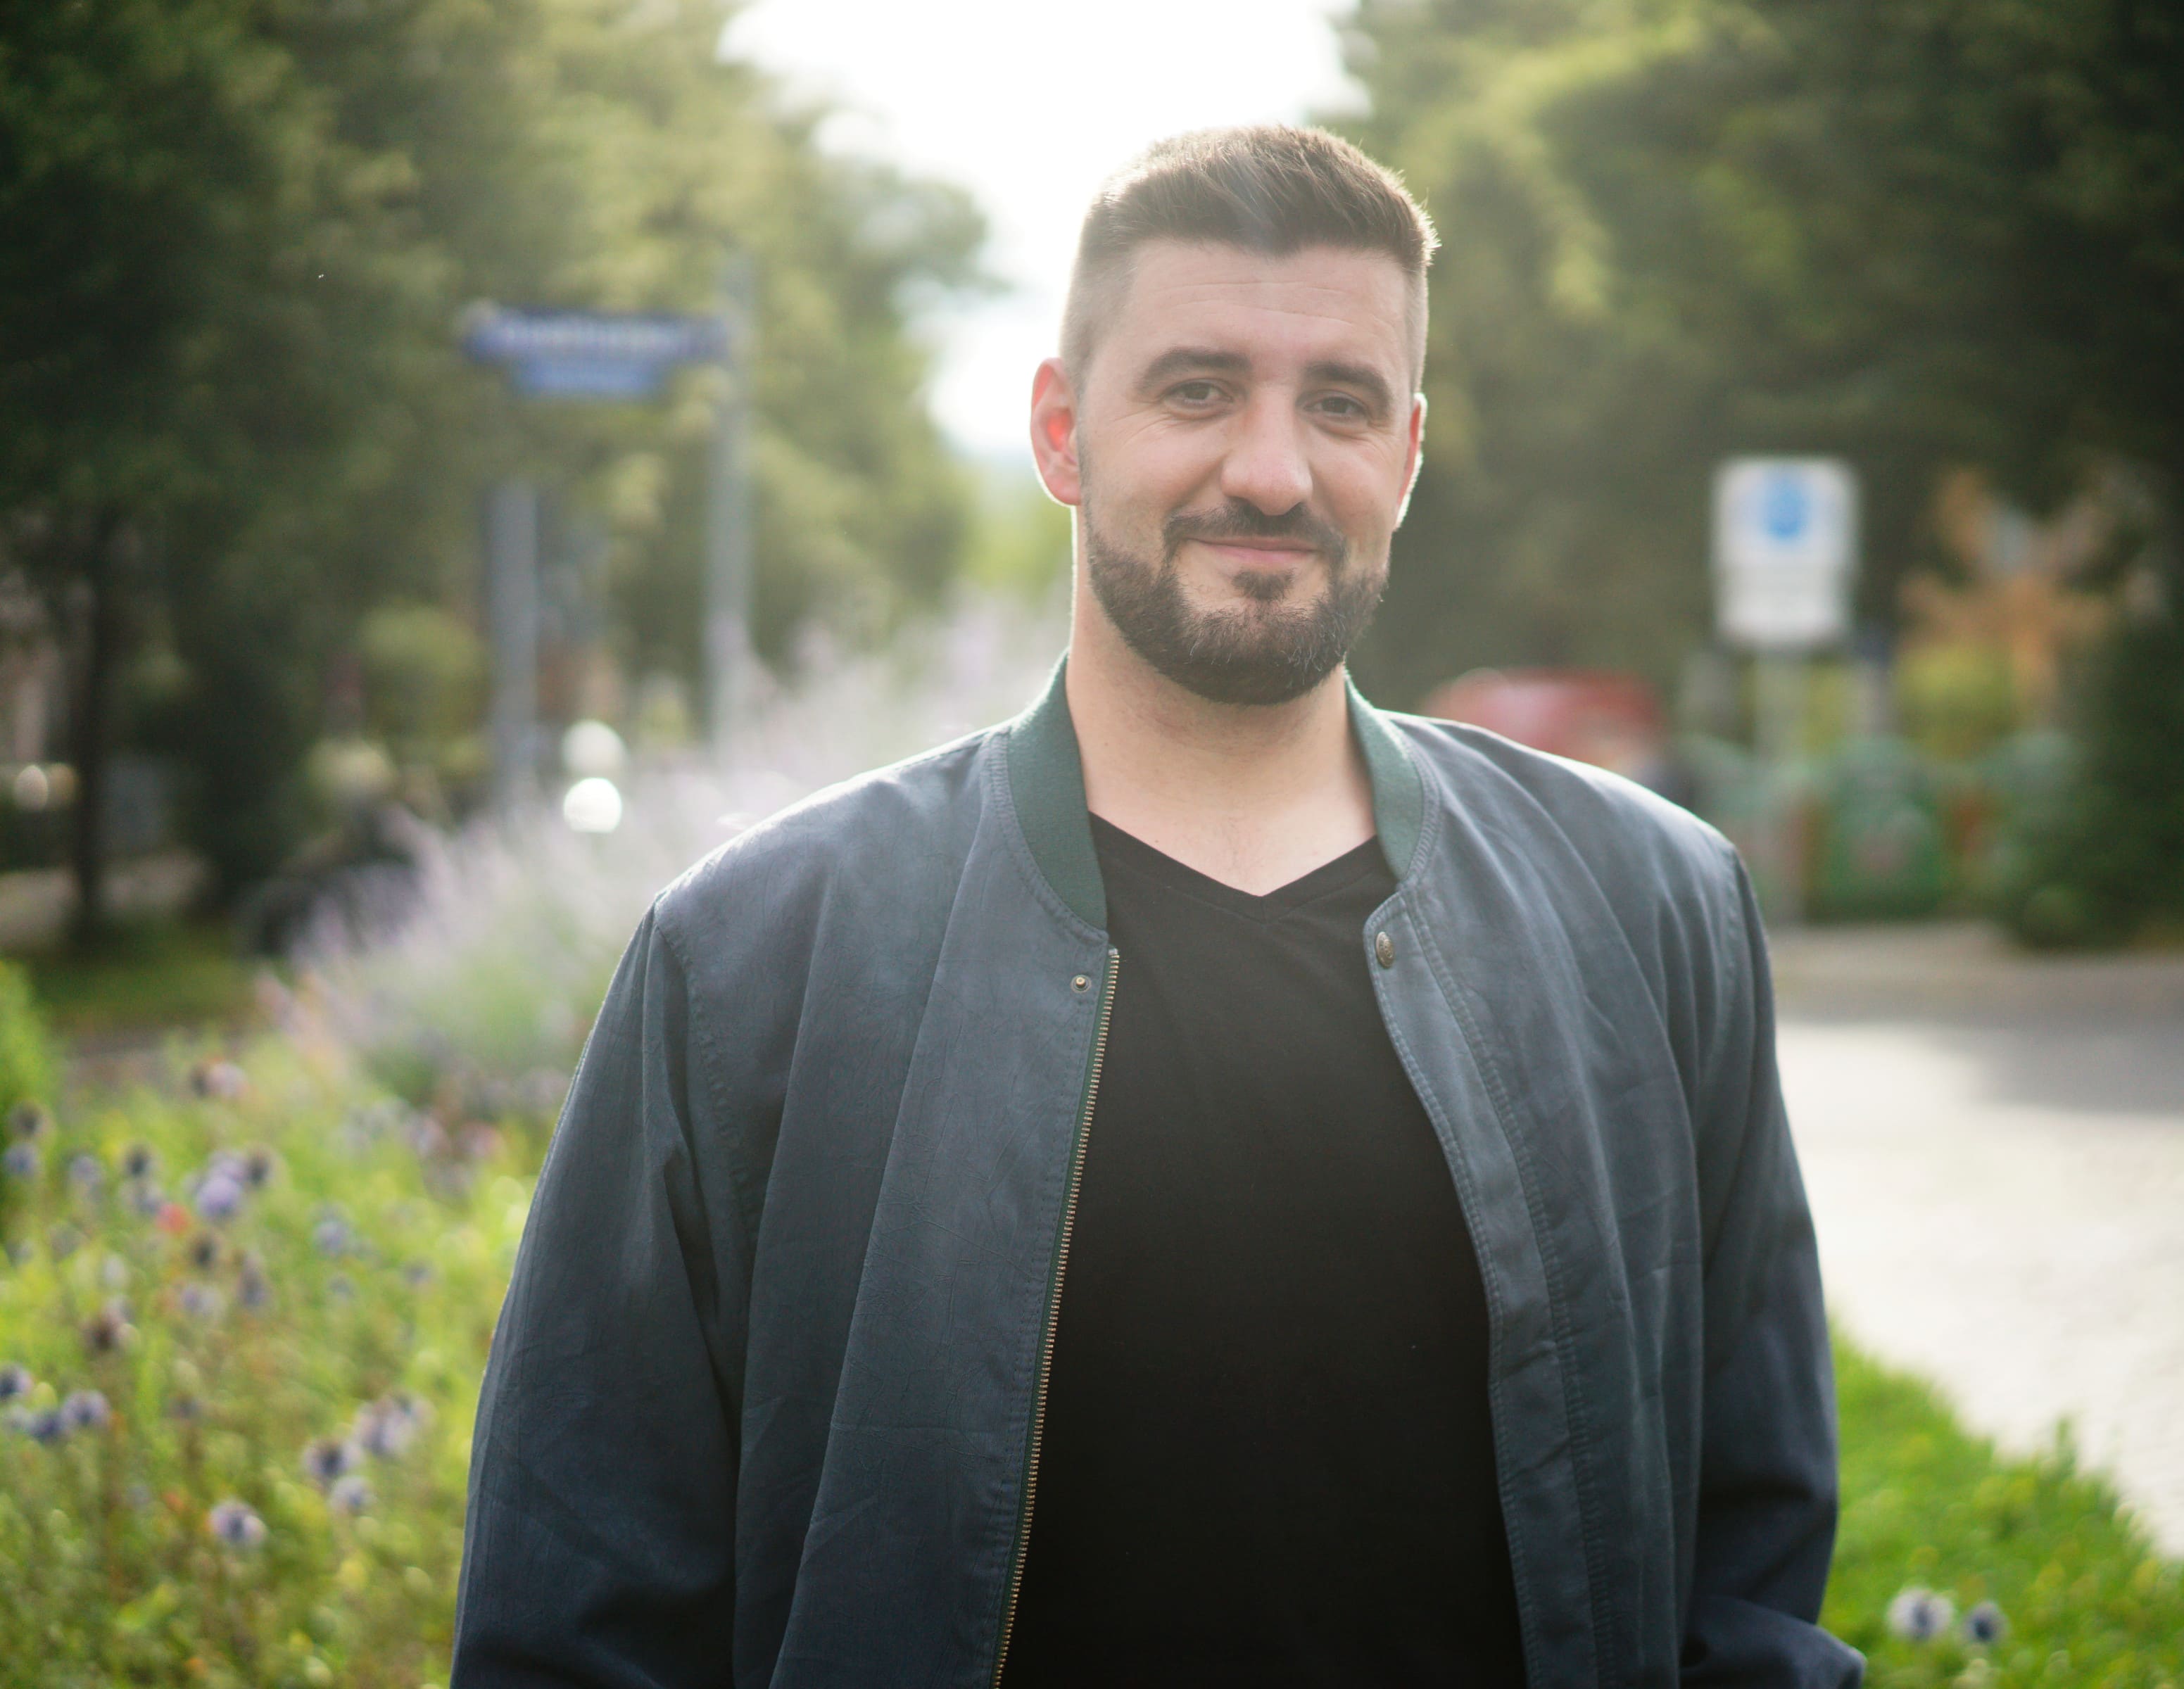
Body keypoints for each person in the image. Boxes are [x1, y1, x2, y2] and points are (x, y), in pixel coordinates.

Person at [452, 125, 1861, 1688]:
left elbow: (1751, 1570)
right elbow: (576, 1612)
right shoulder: (751, 962)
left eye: (1341, 403)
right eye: (1197, 389)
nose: (1271, 470)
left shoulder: (1652, 912)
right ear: (1062, 432)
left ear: (1405, 456)